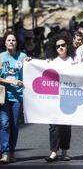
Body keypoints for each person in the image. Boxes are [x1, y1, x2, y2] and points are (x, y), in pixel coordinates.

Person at [45, 34, 76, 162]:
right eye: (58, 46)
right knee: (53, 126)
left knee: (66, 126)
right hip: (54, 98)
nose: (61, 48)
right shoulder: (52, 62)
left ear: (67, 46)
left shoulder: (73, 61)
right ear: (55, 48)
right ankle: (53, 151)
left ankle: (64, 151)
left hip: (69, 97)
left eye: (63, 45)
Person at [0, 31, 29, 163]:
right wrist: (11, 81)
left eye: (13, 40)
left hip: (18, 97)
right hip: (4, 96)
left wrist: (30, 62)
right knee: (4, 123)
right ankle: (4, 152)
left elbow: (30, 72)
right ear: (5, 43)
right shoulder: (1, 57)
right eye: (9, 40)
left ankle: (11, 152)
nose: (11, 42)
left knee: (14, 125)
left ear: (16, 43)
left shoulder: (22, 56)